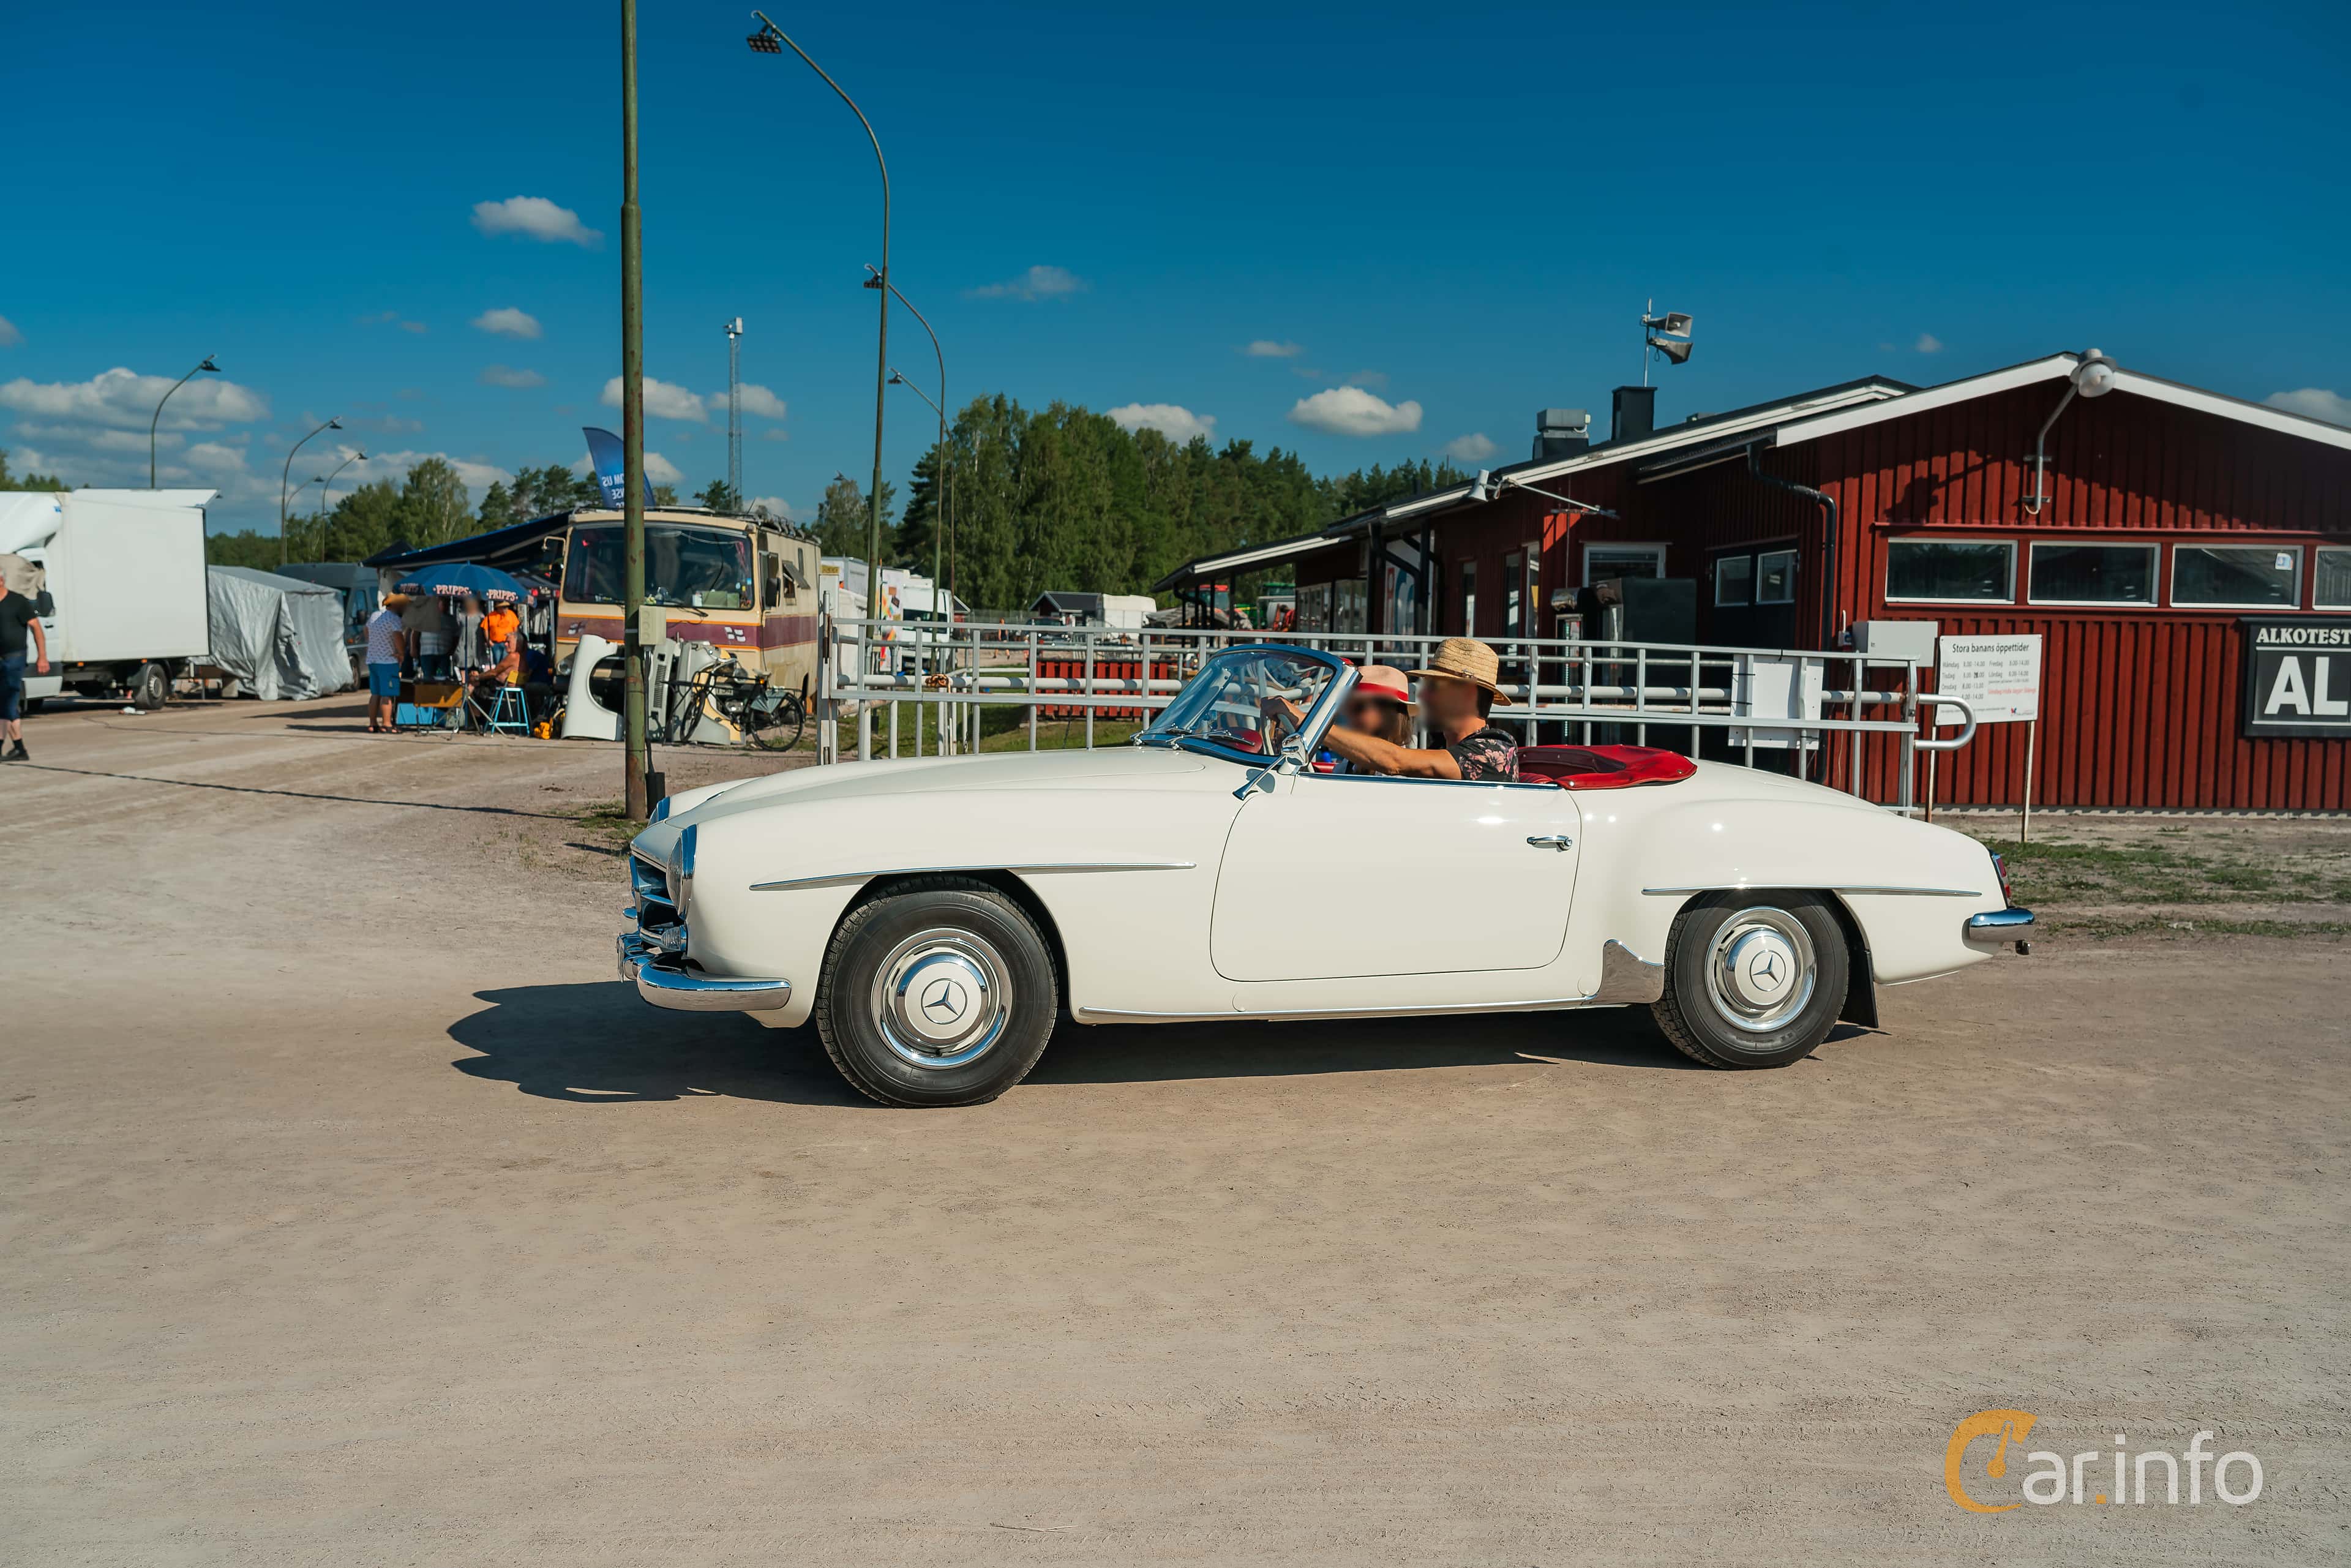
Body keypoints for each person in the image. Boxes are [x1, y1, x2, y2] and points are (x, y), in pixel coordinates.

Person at [1315, 637, 1518, 782]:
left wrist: (1311, 726)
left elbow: (1394, 761)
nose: (1423, 696)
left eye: (1434, 687)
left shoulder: (1495, 750)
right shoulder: (1447, 754)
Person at [1320, 664, 1413, 774]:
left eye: (1358, 708)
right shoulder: (1350, 764)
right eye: (1347, 707)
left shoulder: (1400, 776)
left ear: (1388, 714)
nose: (1348, 715)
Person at [1, 572, 50, 761]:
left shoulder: (17, 601)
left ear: (2, 581)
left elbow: (36, 627)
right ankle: (19, 749)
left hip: (15, 657)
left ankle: (20, 749)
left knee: (8, 700)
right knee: (4, 703)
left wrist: (43, 657)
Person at [364, 593, 408, 735]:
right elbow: (398, 637)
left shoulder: (375, 615)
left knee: (375, 693)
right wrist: (401, 653)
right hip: (387, 661)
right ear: (396, 605)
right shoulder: (394, 619)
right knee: (387, 694)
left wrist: (372, 644)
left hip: (373, 659)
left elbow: (366, 630)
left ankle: (372, 723)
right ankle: (387, 724)